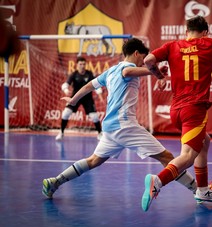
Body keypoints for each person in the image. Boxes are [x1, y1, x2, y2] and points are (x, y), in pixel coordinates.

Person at [42, 38, 197, 200]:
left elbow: (89, 86)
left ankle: (55, 182)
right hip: (125, 126)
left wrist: (73, 100)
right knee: (167, 158)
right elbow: (128, 73)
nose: (144, 62)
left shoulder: (110, 71)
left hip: (109, 127)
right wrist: (154, 72)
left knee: (94, 160)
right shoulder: (126, 67)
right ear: (136, 53)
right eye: (143, 58)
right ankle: (197, 190)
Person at [142, 16, 212, 211]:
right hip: (194, 109)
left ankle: (202, 190)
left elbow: (148, 60)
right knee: (188, 156)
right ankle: (158, 181)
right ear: (205, 32)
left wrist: (158, 75)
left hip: (176, 110)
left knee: (204, 142)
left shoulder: (172, 45)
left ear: (187, 31)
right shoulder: (209, 44)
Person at [56, 56, 103, 140]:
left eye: (84, 64)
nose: (82, 66)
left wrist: (100, 94)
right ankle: (61, 132)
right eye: (80, 64)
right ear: (77, 65)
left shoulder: (89, 74)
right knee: (65, 113)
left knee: (94, 116)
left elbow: (96, 85)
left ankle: (100, 133)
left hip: (87, 98)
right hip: (75, 97)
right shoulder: (74, 74)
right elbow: (65, 85)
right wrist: (66, 91)